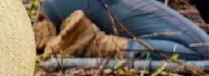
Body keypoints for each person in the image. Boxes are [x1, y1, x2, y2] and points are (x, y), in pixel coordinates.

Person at [38, 0, 209, 60]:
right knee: (202, 49)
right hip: (99, 4)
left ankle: (50, 24)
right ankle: (94, 43)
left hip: (53, 5)